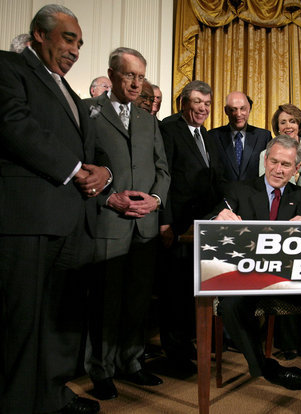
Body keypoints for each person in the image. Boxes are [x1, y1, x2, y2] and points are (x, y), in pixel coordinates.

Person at [0, 4, 111, 414]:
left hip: (73, 222)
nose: (75, 50)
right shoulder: (8, 67)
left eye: (80, 43)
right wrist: (76, 170)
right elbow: (13, 125)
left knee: (59, 322)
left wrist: (105, 174)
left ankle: (51, 395)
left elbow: (93, 153)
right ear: (40, 35)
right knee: (21, 324)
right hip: (27, 219)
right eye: (68, 38)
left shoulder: (73, 94)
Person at [211, 135, 301, 413]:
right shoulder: (240, 190)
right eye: (274, 162)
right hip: (248, 278)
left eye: (286, 165)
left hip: (290, 278)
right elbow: (210, 220)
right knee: (229, 304)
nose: (278, 170)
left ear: (296, 169)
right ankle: (265, 367)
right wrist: (218, 218)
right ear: (265, 160)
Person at [84, 47, 170, 401]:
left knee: (137, 300)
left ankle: (132, 362)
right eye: (129, 75)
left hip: (145, 225)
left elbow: (163, 170)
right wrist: (108, 198)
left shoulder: (149, 119)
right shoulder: (90, 114)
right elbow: (81, 169)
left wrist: (157, 200)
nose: (136, 83)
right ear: (112, 74)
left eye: (141, 76)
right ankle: (101, 370)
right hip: (109, 222)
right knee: (107, 301)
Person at [158, 80, 226, 375]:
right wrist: (166, 222)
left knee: (191, 289)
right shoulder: (169, 129)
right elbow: (165, 178)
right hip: (177, 225)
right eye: (197, 102)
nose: (202, 108)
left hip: (201, 227)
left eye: (207, 104)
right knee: (173, 292)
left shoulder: (207, 136)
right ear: (183, 102)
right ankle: (174, 355)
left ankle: (189, 347)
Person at [260, 103, 301, 213]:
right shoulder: (265, 154)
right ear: (277, 127)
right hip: (280, 213)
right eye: (283, 122)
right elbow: (265, 188)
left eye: (292, 121)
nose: (288, 126)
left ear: (299, 124)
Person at [208, 91, 272, 182]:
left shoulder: (264, 136)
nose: (238, 114)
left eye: (242, 109)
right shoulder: (212, 136)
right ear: (226, 111)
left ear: (249, 109)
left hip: (254, 194)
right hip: (223, 194)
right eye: (233, 109)